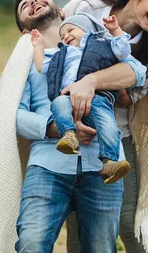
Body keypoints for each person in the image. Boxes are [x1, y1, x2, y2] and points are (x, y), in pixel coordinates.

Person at [62, 0, 148, 253]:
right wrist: (113, 73)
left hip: (118, 136)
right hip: (75, 133)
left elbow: (129, 98)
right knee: (77, 225)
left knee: (129, 222)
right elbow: (58, 44)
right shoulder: (88, 8)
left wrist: (92, 78)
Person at [13, 0, 147, 252]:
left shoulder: (100, 45)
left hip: (102, 166)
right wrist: (53, 128)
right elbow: (14, 115)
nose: (33, 2)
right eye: (24, 6)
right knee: (31, 243)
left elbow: (137, 72)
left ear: (62, 13)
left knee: (101, 248)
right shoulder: (26, 61)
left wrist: (92, 81)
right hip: (48, 165)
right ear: (24, 29)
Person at [30, 12, 141, 184]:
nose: (66, 36)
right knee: (58, 104)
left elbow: (123, 50)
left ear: (87, 30)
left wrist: (115, 30)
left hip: (98, 97)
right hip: (67, 95)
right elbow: (41, 66)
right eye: (62, 35)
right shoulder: (62, 54)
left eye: (70, 30)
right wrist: (38, 46)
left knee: (108, 124)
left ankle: (110, 162)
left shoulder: (104, 45)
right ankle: (69, 136)